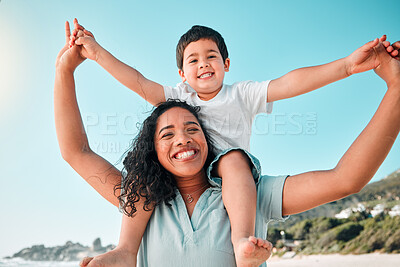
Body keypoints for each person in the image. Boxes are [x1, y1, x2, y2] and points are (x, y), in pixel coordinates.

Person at [56, 21, 400, 267]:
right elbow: (78, 150)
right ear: (153, 149)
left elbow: (346, 178)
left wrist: (370, 78)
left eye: (193, 127)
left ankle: (241, 244)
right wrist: (69, 69)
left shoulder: (248, 193)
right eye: (167, 134)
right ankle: (124, 251)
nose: (183, 138)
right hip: (150, 198)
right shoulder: (143, 198)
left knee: (234, 160)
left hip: (236, 178)